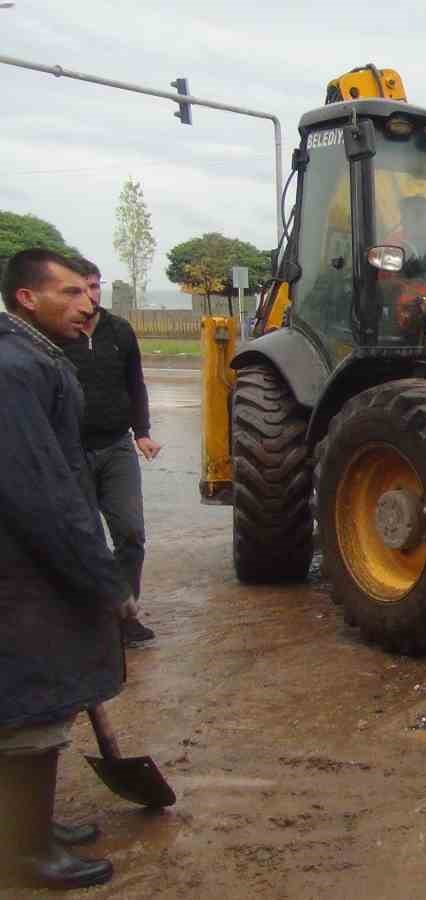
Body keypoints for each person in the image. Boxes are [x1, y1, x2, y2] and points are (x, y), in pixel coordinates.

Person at [1, 248, 131, 890]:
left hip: (33, 564)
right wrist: (100, 577)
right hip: (21, 573)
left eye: (89, 292)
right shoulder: (14, 369)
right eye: (73, 293)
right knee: (30, 706)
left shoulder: (35, 357)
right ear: (28, 298)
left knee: (38, 700)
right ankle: (24, 853)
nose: (88, 304)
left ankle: (30, 827)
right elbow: (42, 491)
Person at [61, 258, 158, 647]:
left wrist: (143, 432)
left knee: (131, 534)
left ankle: (125, 614)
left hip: (117, 446)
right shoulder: (55, 336)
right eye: (80, 288)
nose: (90, 295)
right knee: (82, 538)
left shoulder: (119, 331)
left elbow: (135, 382)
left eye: (95, 286)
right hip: (71, 451)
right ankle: (89, 619)